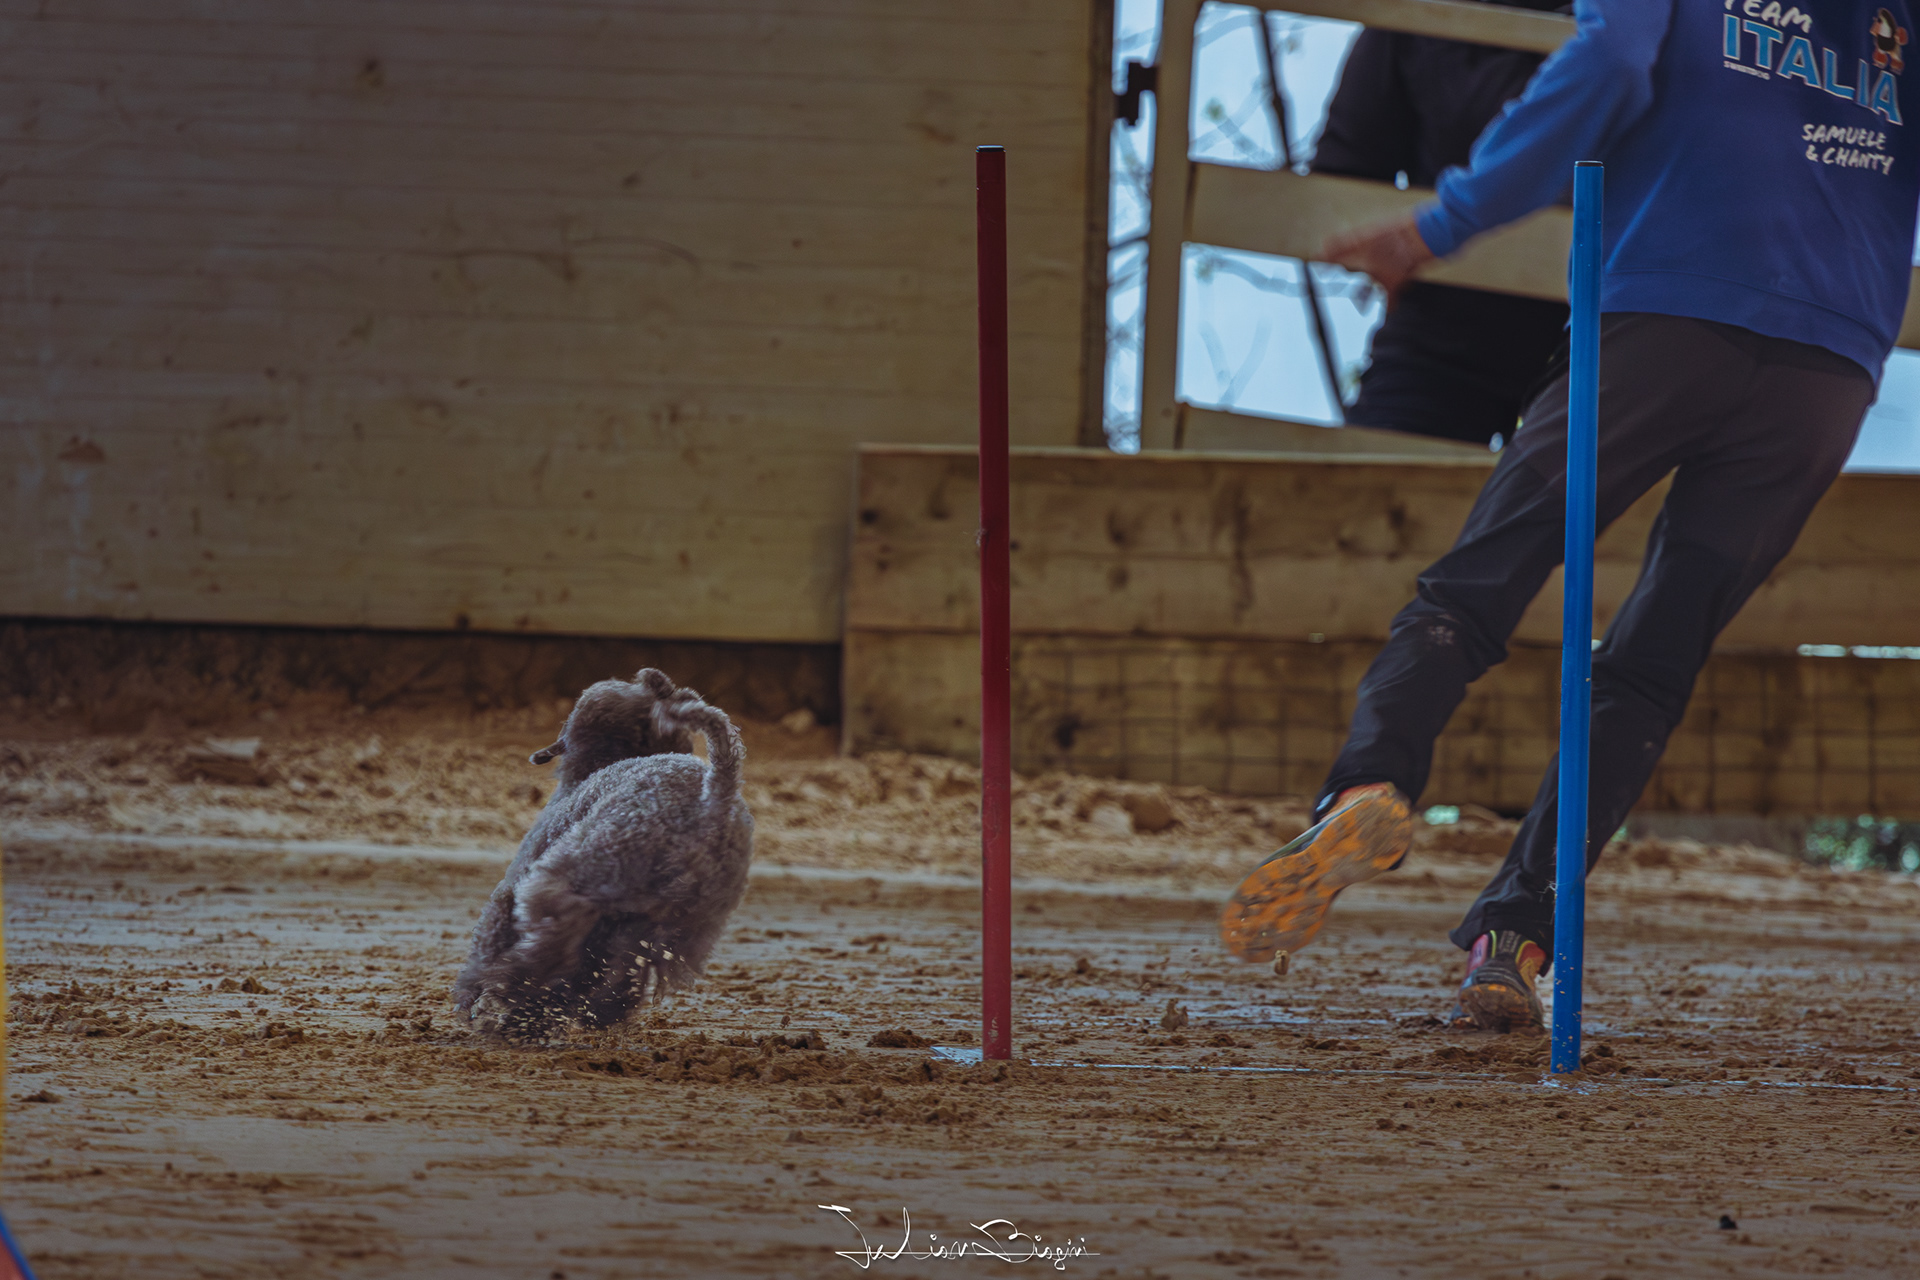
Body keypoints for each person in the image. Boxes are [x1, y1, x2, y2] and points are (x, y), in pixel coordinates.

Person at [1219, 0, 1920, 1031]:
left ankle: (1368, 786)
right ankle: (1516, 937)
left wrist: (1440, 224)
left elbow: (1611, 64)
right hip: (1832, 365)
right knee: (1652, 664)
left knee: (1477, 582)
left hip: (1668, 314)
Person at [1311, 0, 1571, 447]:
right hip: (1440, 345)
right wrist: (1398, 244)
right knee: (1365, 485)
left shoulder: (1634, 22)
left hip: (1602, 351)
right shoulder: (1416, 19)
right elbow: (1341, 183)